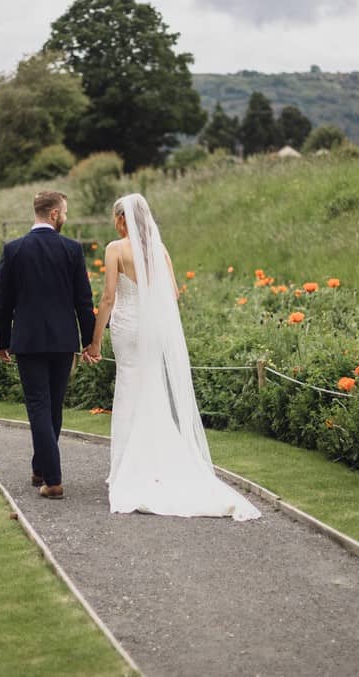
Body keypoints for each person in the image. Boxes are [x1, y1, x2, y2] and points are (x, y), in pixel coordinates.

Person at [83, 193, 260, 520]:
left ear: (123, 220)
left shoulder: (115, 249)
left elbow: (108, 298)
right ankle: (157, 462)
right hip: (152, 332)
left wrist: (94, 342)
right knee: (151, 390)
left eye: (115, 218)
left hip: (126, 328)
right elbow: (173, 295)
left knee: (128, 389)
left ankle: (126, 467)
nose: (114, 223)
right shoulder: (159, 250)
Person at [0, 190, 96, 499]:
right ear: (53, 214)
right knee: (51, 407)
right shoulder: (71, 249)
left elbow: (2, 303)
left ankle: (51, 479)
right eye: (64, 212)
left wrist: (3, 341)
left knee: (40, 406)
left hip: (27, 340)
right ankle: (42, 471)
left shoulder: (14, 249)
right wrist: (90, 341)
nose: (65, 217)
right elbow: (83, 300)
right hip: (63, 340)